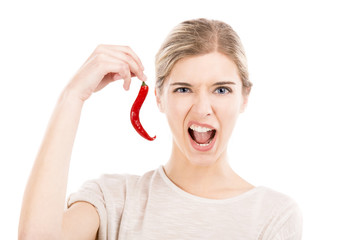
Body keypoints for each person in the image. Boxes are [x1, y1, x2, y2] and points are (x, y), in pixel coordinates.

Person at [18, 18, 302, 240]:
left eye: (221, 89)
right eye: (183, 89)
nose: (203, 108)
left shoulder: (273, 215)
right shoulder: (113, 200)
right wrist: (72, 96)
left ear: (244, 98)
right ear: (158, 97)